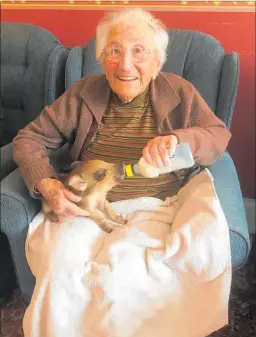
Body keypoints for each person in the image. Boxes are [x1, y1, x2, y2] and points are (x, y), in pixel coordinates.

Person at [13, 8, 231, 221]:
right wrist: (45, 181)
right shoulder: (83, 94)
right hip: (89, 211)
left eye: (138, 51)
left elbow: (218, 137)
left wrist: (178, 139)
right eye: (115, 51)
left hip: (162, 207)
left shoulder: (179, 91)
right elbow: (29, 139)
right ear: (102, 60)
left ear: (157, 61)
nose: (125, 66)